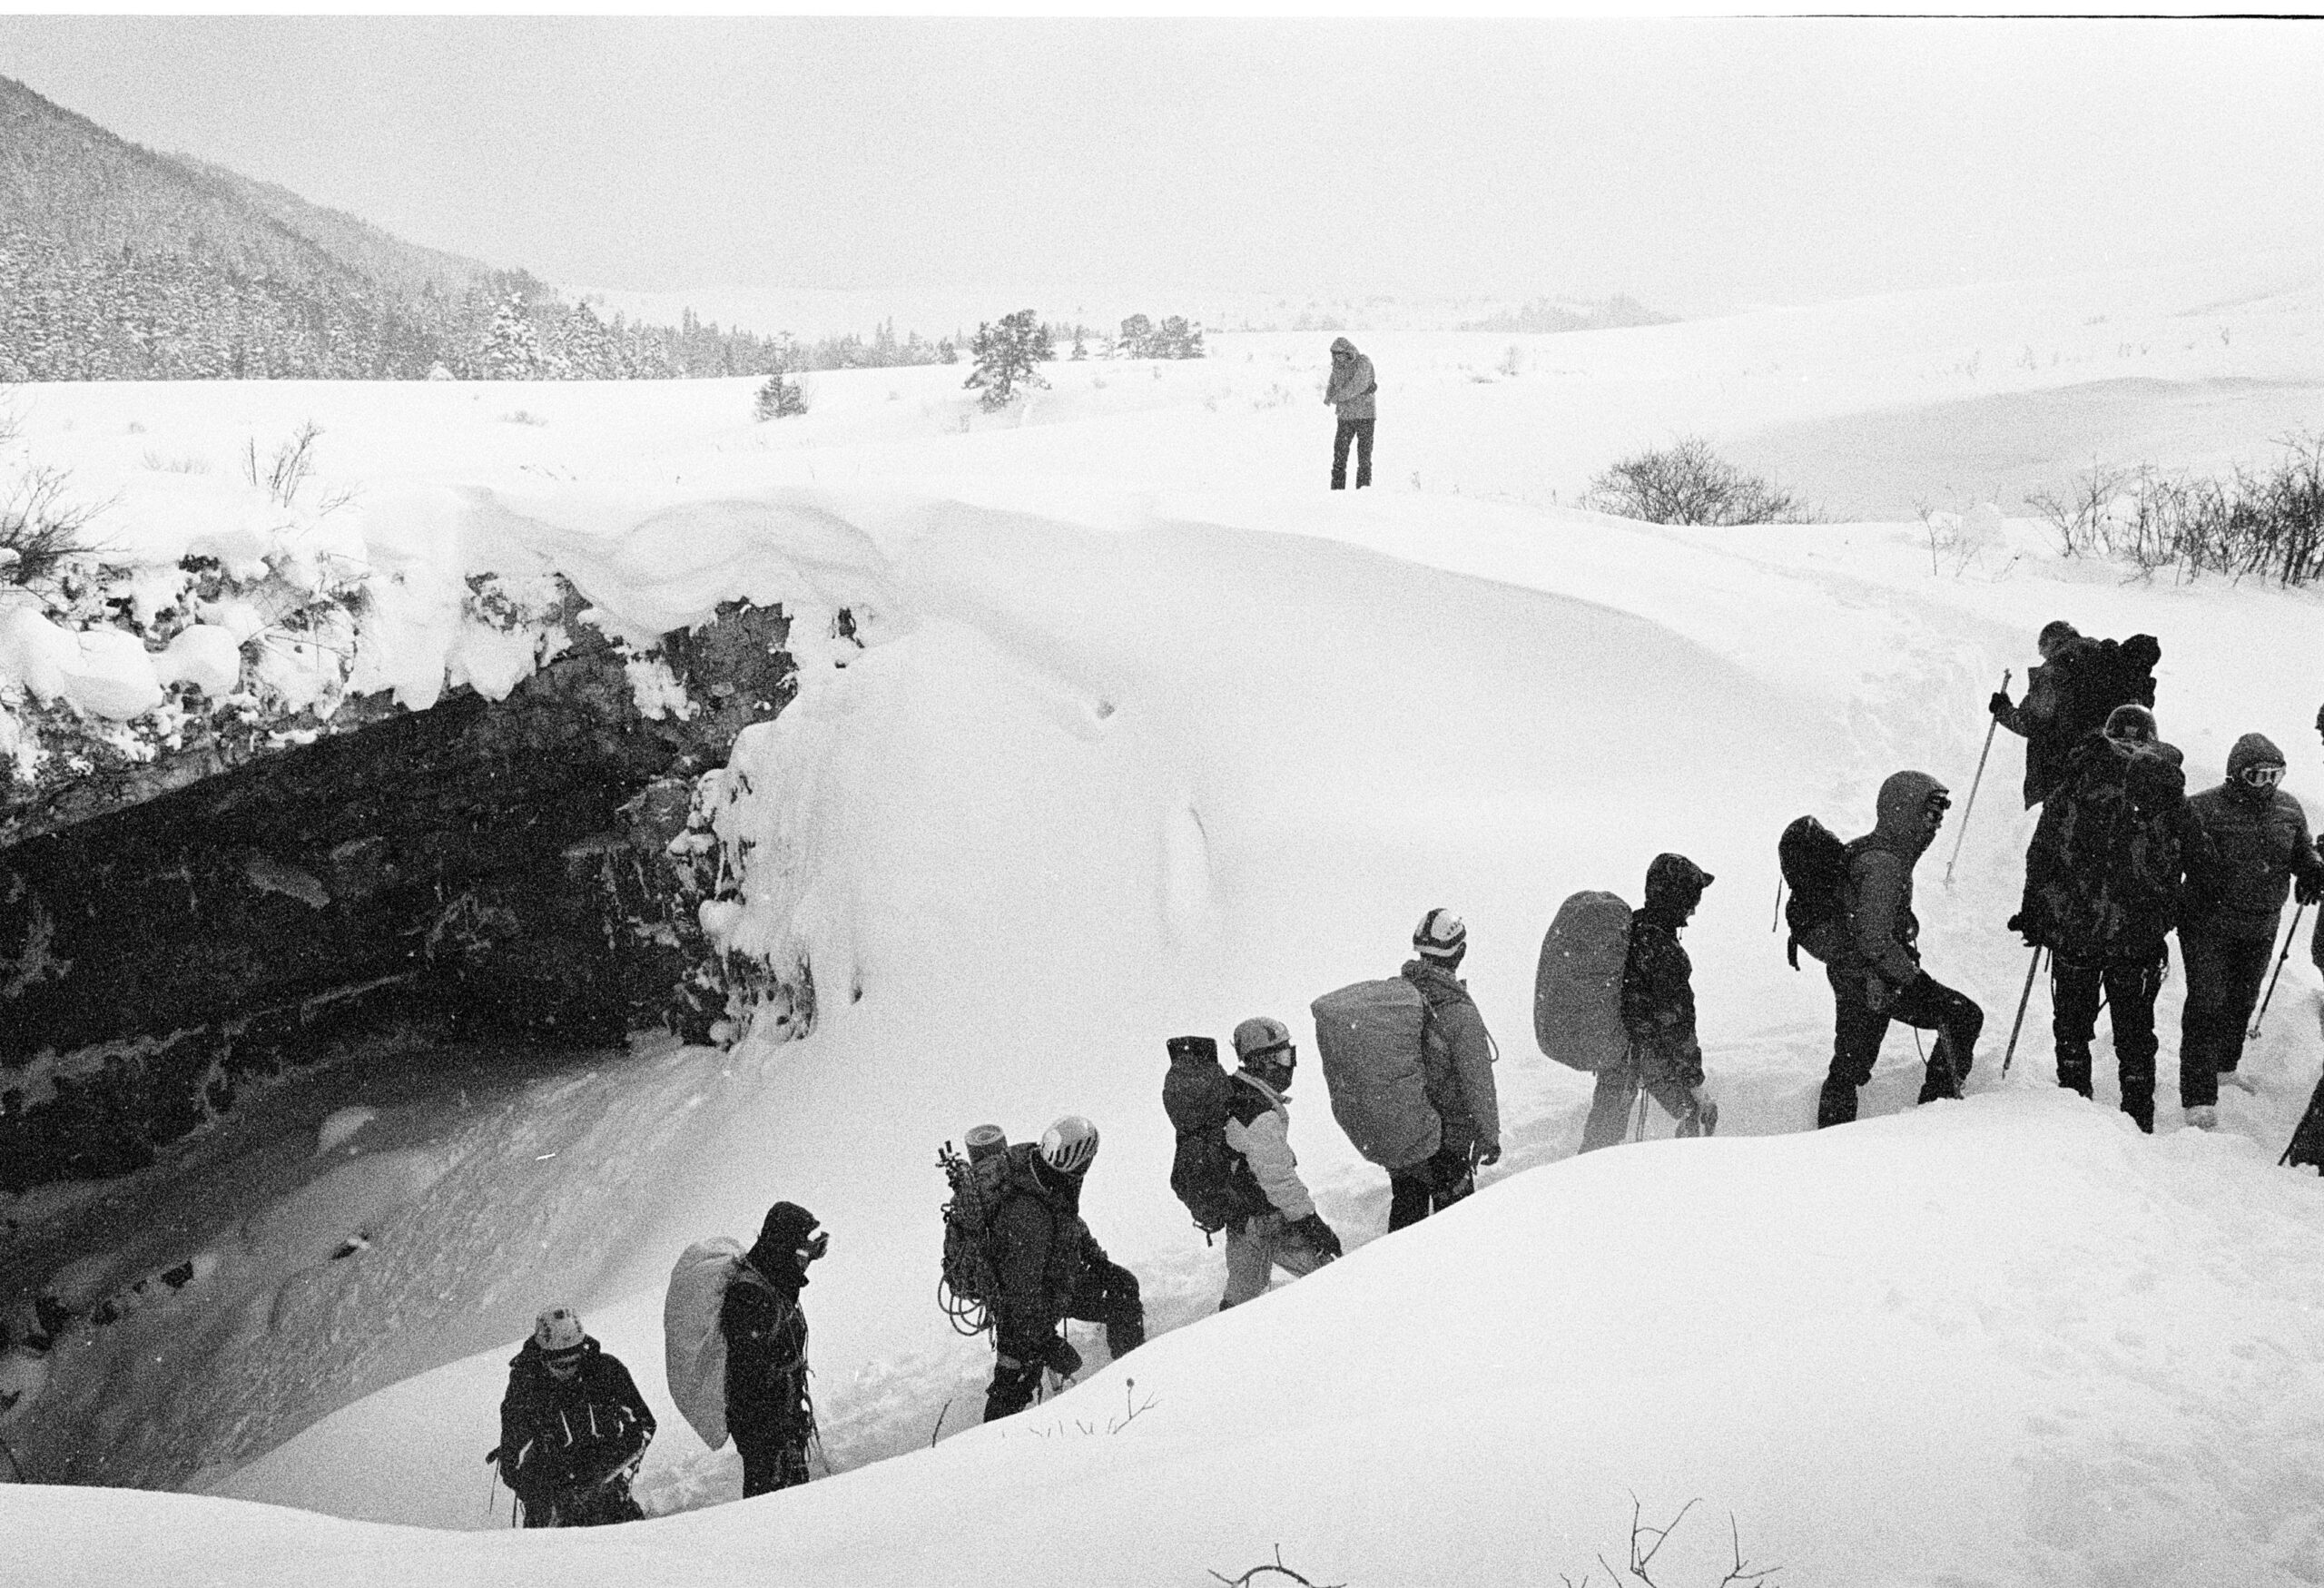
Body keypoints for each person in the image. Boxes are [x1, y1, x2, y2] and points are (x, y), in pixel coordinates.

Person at [2014, 705, 2201, 1134]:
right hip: (2135, 938)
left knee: (2073, 1029)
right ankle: (2137, 1123)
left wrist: (2035, 911)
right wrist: (2170, 909)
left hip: (2075, 930)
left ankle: (2073, 1108)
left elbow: (2042, 854)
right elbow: (2202, 863)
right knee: (2134, 1037)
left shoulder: (2075, 781)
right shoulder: (2166, 791)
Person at [1817, 772, 1984, 1129]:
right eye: (1930, 814)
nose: (1936, 825)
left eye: (1940, 816)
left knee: (1849, 1063)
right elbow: (1874, 938)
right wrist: (1911, 978)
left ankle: (1829, 1142)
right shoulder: (1885, 863)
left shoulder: (1870, 850)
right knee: (1962, 1017)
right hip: (1874, 978)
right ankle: (1935, 1121)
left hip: (1854, 973)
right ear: (1904, 811)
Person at [2179, 734, 2323, 1126]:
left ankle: (2226, 1066)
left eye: (2275, 775)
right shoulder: (2203, 808)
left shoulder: (2289, 809)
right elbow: (2176, 856)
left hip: (2261, 923)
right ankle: (2198, 1094)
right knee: (2208, 1002)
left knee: (2243, 999)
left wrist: (2310, 869)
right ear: (2235, 775)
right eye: (2257, 775)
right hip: (2208, 923)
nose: (2268, 784)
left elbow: (2301, 850)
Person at [983, 1115, 1145, 1423]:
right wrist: (1047, 1342)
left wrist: (1097, 1261)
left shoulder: (1049, 1174)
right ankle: (985, 1448)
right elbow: (1019, 1294)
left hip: (1054, 1283)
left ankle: (1131, 1384)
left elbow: (1070, 1225)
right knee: (1015, 1382)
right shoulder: (1028, 1217)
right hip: (1023, 1312)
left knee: (1122, 1288)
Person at [1581, 854, 1718, 1152]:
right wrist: (1696, 1084)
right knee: (1689, 1113)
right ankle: (1681, 1178)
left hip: (1618, 1052)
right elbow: (1678, 1027)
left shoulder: (1633, 928)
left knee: (1601, 1138)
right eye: (1691, 899)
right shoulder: (1664, 952)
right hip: (1640, 1056)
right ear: (1677, 899)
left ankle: (1584, 1187)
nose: (1694, 910)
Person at [1217, 1017, 1343, 1309]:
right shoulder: (1258, 1113)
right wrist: (1312, 1224)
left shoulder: (1237, 1092)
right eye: (1285, 1056)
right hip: (1268, 1219)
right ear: (1263, 1062)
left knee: (1238, 1304)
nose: (1290, 1065)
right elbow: (1278, 1179)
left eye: (1291, 1054)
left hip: (1242, 1218)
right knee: (1335, 1276)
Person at [496, 1305, 656, 1527]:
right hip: (551, 1497)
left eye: (575, 1360)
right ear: (543, 1357)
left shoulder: (607, 1371)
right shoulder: (525, 1387)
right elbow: (512, 1462)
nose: (569, 1369)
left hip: (606, 1482)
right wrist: (549, 1494)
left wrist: (608, 1473)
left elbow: (645, 1425)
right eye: (560, 1364)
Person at [1392, 910, 1502, 1228]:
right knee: (1454, 1230)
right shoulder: (1457, 1011)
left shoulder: (1400, 997)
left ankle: (1389, 1275)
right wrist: (1489, 1134)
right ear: (1460, 951)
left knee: (1406, 1217)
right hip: (1447, 1138)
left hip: (1407, 1131)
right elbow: (1476, 1080)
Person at [722, 1200, 825, 1498]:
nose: (807, 1260)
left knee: (788, 1496)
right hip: (764, 1431)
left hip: (780, 1421)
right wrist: (775, 1431)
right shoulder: (750, 1297)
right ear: (784, 1247)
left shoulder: (775, 1282)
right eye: (803, 1251)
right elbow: (747, 1376)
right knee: (769, 1503)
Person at [1989, 620, 2087, 808]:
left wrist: (2002, 710)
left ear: (2052, 642)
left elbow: (2030, 724)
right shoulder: (2095, 667)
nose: (2041, 654)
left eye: (2042, 646)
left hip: (2058, 774)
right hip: (2091, 772)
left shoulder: (2058, 669)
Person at [1323, 336, 1376, 490]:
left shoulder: (1363, 362)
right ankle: (1337, 492)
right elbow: (1332, 383)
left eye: (1340, 354)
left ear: (1348, 352)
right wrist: (1329, 395)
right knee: (1339, 457)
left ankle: (1363, 491)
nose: (1338, 358)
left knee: (1364, 458)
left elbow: (1357, 385)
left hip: (1365, 416)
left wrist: (1337, 398)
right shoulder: (1337, 367)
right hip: (1345, 417)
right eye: (1335, 355)